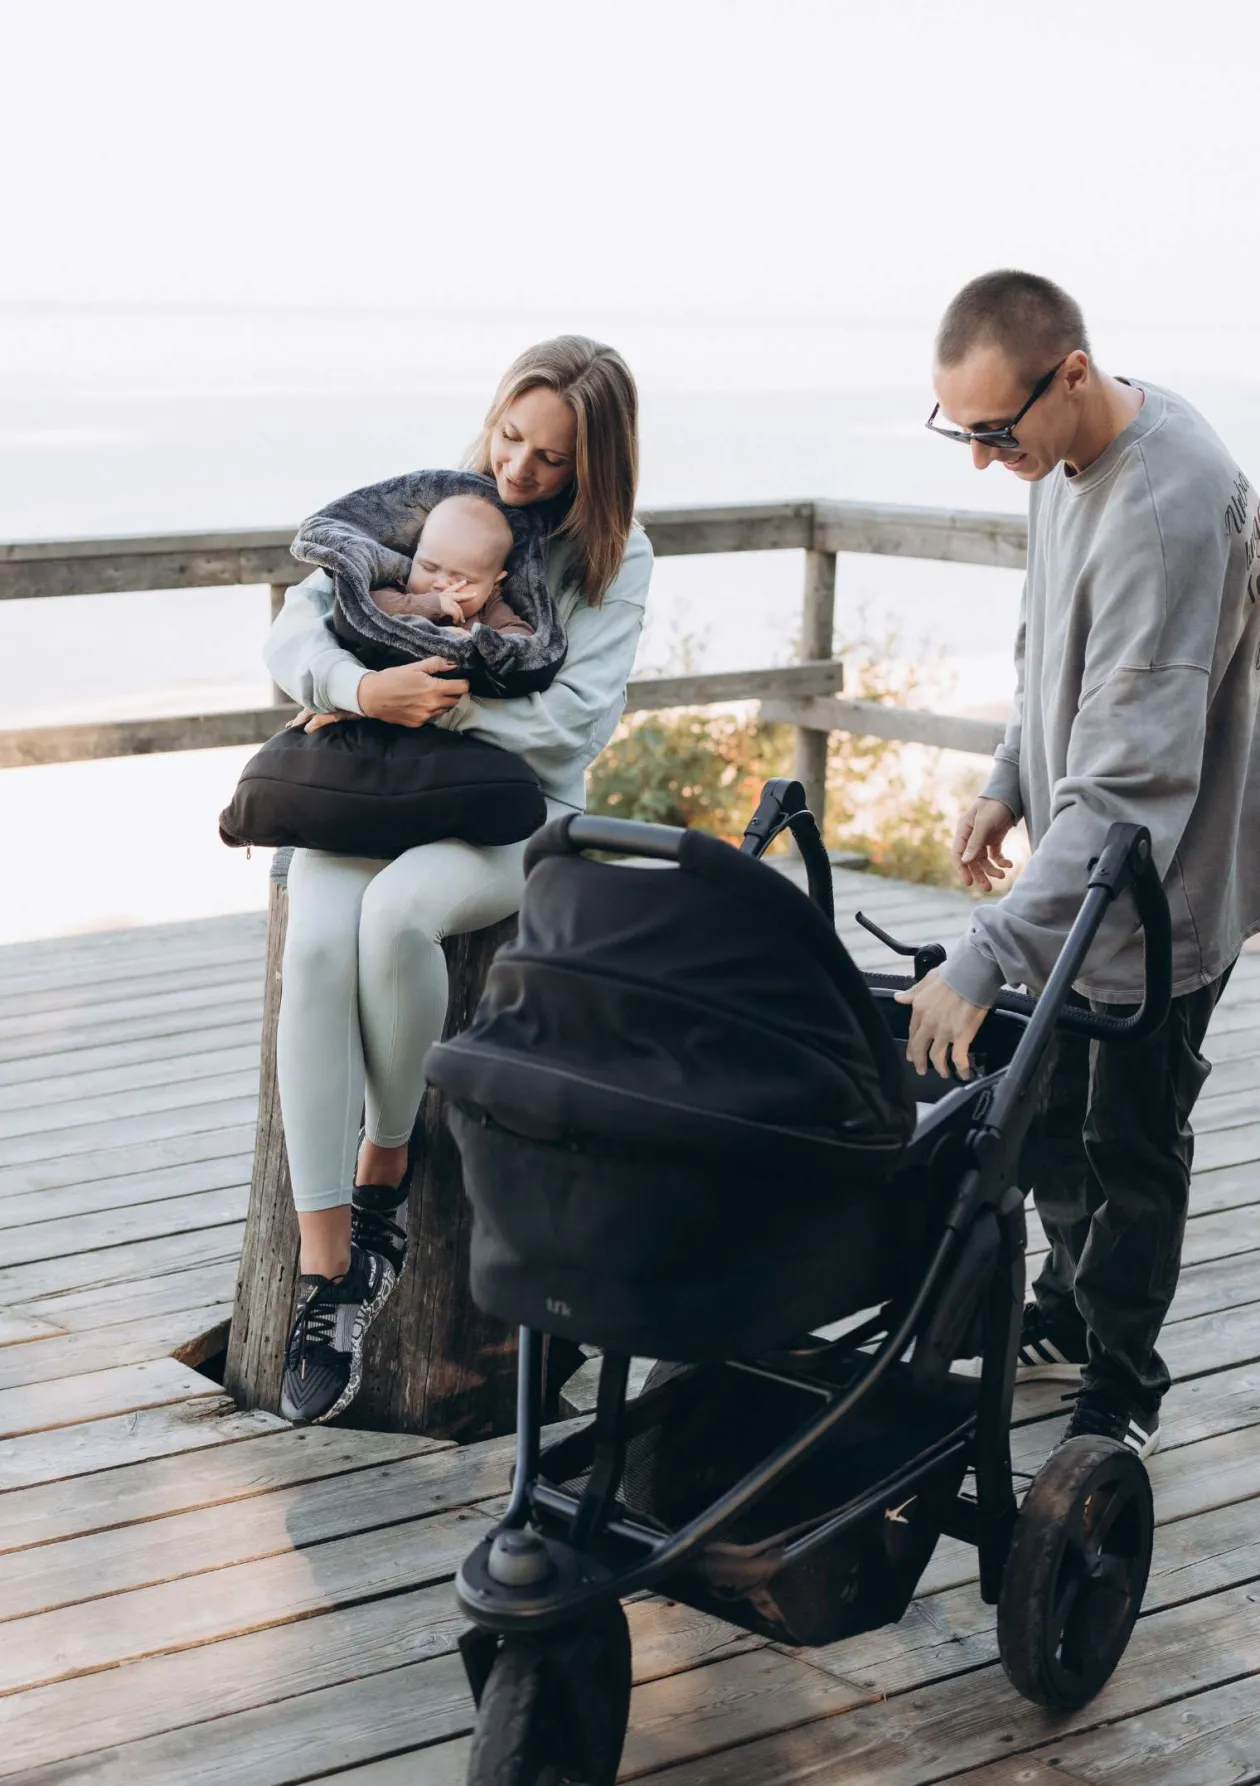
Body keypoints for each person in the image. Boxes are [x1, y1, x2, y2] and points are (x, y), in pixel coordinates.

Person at [897, 270, 1260, 1460]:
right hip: (1084, 868)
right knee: (1046, 1111)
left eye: (995, 432)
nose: (983, 458)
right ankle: (1063, 1306)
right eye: (961, 431)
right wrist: (1010, 773)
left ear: (1070, 374)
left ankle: (1122, 1379)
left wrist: (987, 952)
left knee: (1129, 1141)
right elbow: (1045, 642)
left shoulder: (1165, 509)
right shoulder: (1058, 458)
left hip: (1165, 891)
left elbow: (1133, 791)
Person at [263, 335, 652, 1425]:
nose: (519, 469)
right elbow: (296, 632)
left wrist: (436, 702)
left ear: (598, 465)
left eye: (553, 458)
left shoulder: (617, 557)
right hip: (378, 784)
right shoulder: (435, 506)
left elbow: (574, 724)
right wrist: (359, 690)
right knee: (317, 946)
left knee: (397, 917)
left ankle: (383, 1177)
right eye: (511, 437)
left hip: (512, 807)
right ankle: (330, 1270)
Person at [369, 492, 533, 637]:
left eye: (462, 580)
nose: (441, 584)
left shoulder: (490, 609)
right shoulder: (401, 590)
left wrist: (472, 642)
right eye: (428, 567)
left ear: (494, 584)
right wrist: (432, 605)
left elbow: (523, 636)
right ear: (416, 553)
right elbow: (367, 604)